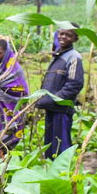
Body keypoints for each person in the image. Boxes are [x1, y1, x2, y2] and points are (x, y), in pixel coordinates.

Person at [35, 26, 85, 158]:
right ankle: (51, 173)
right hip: (52, 108)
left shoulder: (74, 58)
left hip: (62, 110)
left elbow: (75, 84)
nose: (63, 37)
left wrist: (54, 99)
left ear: (75, 38)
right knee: (50, 145)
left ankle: (64, 175)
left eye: (68, 35)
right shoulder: (57, 55)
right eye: (61, 34)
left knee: (61, 146)